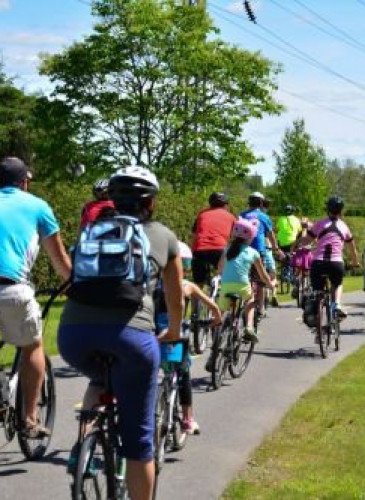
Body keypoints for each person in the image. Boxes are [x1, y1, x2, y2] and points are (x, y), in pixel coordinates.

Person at [58, 166, 183, 500]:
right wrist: (172, 330)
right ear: (151, 203)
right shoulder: (165, 236)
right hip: (132, 338)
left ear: (111, 199)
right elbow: (175, 298)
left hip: (73, 336)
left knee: (100, 378)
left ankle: (87, 437)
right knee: (139, 440)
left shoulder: (91, 231)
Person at [0, 157, 71, 438]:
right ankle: (29, 420)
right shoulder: (38, 206)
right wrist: (75, 284)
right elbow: (59, 259)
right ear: (24, 182)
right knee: (33, 346)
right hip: (10, 288)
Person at [175, 241, 221, 438]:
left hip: (153, 337)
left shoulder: (149, 285)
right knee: (183, 374)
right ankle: (187, 418)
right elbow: (213, 307)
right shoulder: (187, 286)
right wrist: (216, 319)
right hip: (176, 339)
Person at [216, 218, 275, 344]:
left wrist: (223, 275)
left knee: (221, 311)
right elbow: (263, 275)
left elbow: (220, 268)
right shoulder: (253, 252)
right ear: (250, 237)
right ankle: (249, 327)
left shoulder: (227, 250)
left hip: (226, 285)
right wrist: (270, 285)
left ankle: (216, 334)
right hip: (243, 285)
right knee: (251, 301)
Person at [305, 196, 359, 318]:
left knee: (317, 289)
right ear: (341, 210)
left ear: (328, 209)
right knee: (337, 284)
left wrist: (297, 243)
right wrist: (355, 262)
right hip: (336, 263)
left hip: (318, 263)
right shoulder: (344, 226)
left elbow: (306, 240)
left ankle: (316, 312)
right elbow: (352, 248)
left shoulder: (320, 223)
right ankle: (337, 304)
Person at [191, 191, 236, 312]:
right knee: (226, 278)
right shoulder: (231, 217)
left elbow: (194, 236)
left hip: (199, 250)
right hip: (219, 249)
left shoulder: (201, 214)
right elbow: (235, 238)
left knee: (197, 284)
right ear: (226, 205)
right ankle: (222, 309)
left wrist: (193, 252)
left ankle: (194, 313)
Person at [240, 192, 283, 315]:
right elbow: (270, 234)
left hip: (242, 250)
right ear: (261, 203)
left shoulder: (242, 215)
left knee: (244, 278)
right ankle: (260, 308)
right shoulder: (263, 216)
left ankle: (244, 304)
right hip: (258, 251)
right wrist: (275, 248)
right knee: (261, 281)